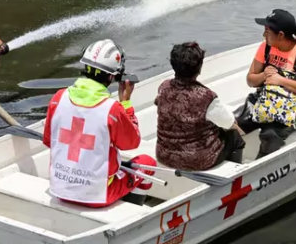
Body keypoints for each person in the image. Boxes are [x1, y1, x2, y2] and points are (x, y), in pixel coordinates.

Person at [42, 39, 156, 207]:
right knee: (147, 163)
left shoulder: (58, 98)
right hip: (97, 196)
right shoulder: (112, 109)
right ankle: (130, 209)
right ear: (112, 76)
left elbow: (48, 140)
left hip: (59, 189)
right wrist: (126, 103)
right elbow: (132, 142)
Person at [237, 9, 296, 158]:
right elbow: (250, 79)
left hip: (294, 108)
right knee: (233, 127)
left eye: (267, 31)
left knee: (270, 135)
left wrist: (280, 80)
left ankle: (259, 171)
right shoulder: (265, 47)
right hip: (264, 101)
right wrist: (263, 75)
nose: (264, 35)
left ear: (280, 35)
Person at [155, 42, 246, 171]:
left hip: (164, 155)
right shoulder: (206, 96)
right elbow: (228, 123)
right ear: (199, 68)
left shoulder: (163, 87)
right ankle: (235, 175)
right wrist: (241, 131)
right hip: (196, 161)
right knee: (235, 137)